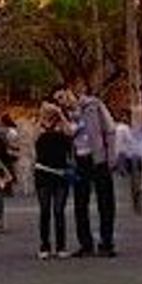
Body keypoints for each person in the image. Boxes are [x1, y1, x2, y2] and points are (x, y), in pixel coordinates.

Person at [57, 88, 117, 258]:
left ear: (70, 92)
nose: (62, 101)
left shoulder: (94, 106)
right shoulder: (65, 115)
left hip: (98, 158)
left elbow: (110, 129)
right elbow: (68, 133)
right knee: (80, 203)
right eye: (58, 100)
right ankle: (86, 243)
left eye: (62, 96)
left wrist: (110, 157)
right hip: (79, 160)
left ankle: (107, 242)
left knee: (105, 201)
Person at [33, 101, 73, 258]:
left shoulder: (62, 126)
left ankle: (61, 246)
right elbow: (33, 137)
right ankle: (45, 246)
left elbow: (70, 133)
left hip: (60, 173)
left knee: (58, 211)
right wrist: (41, 117)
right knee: (44, 211)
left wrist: (60, 114)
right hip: (43, 172)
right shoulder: (40, 127)